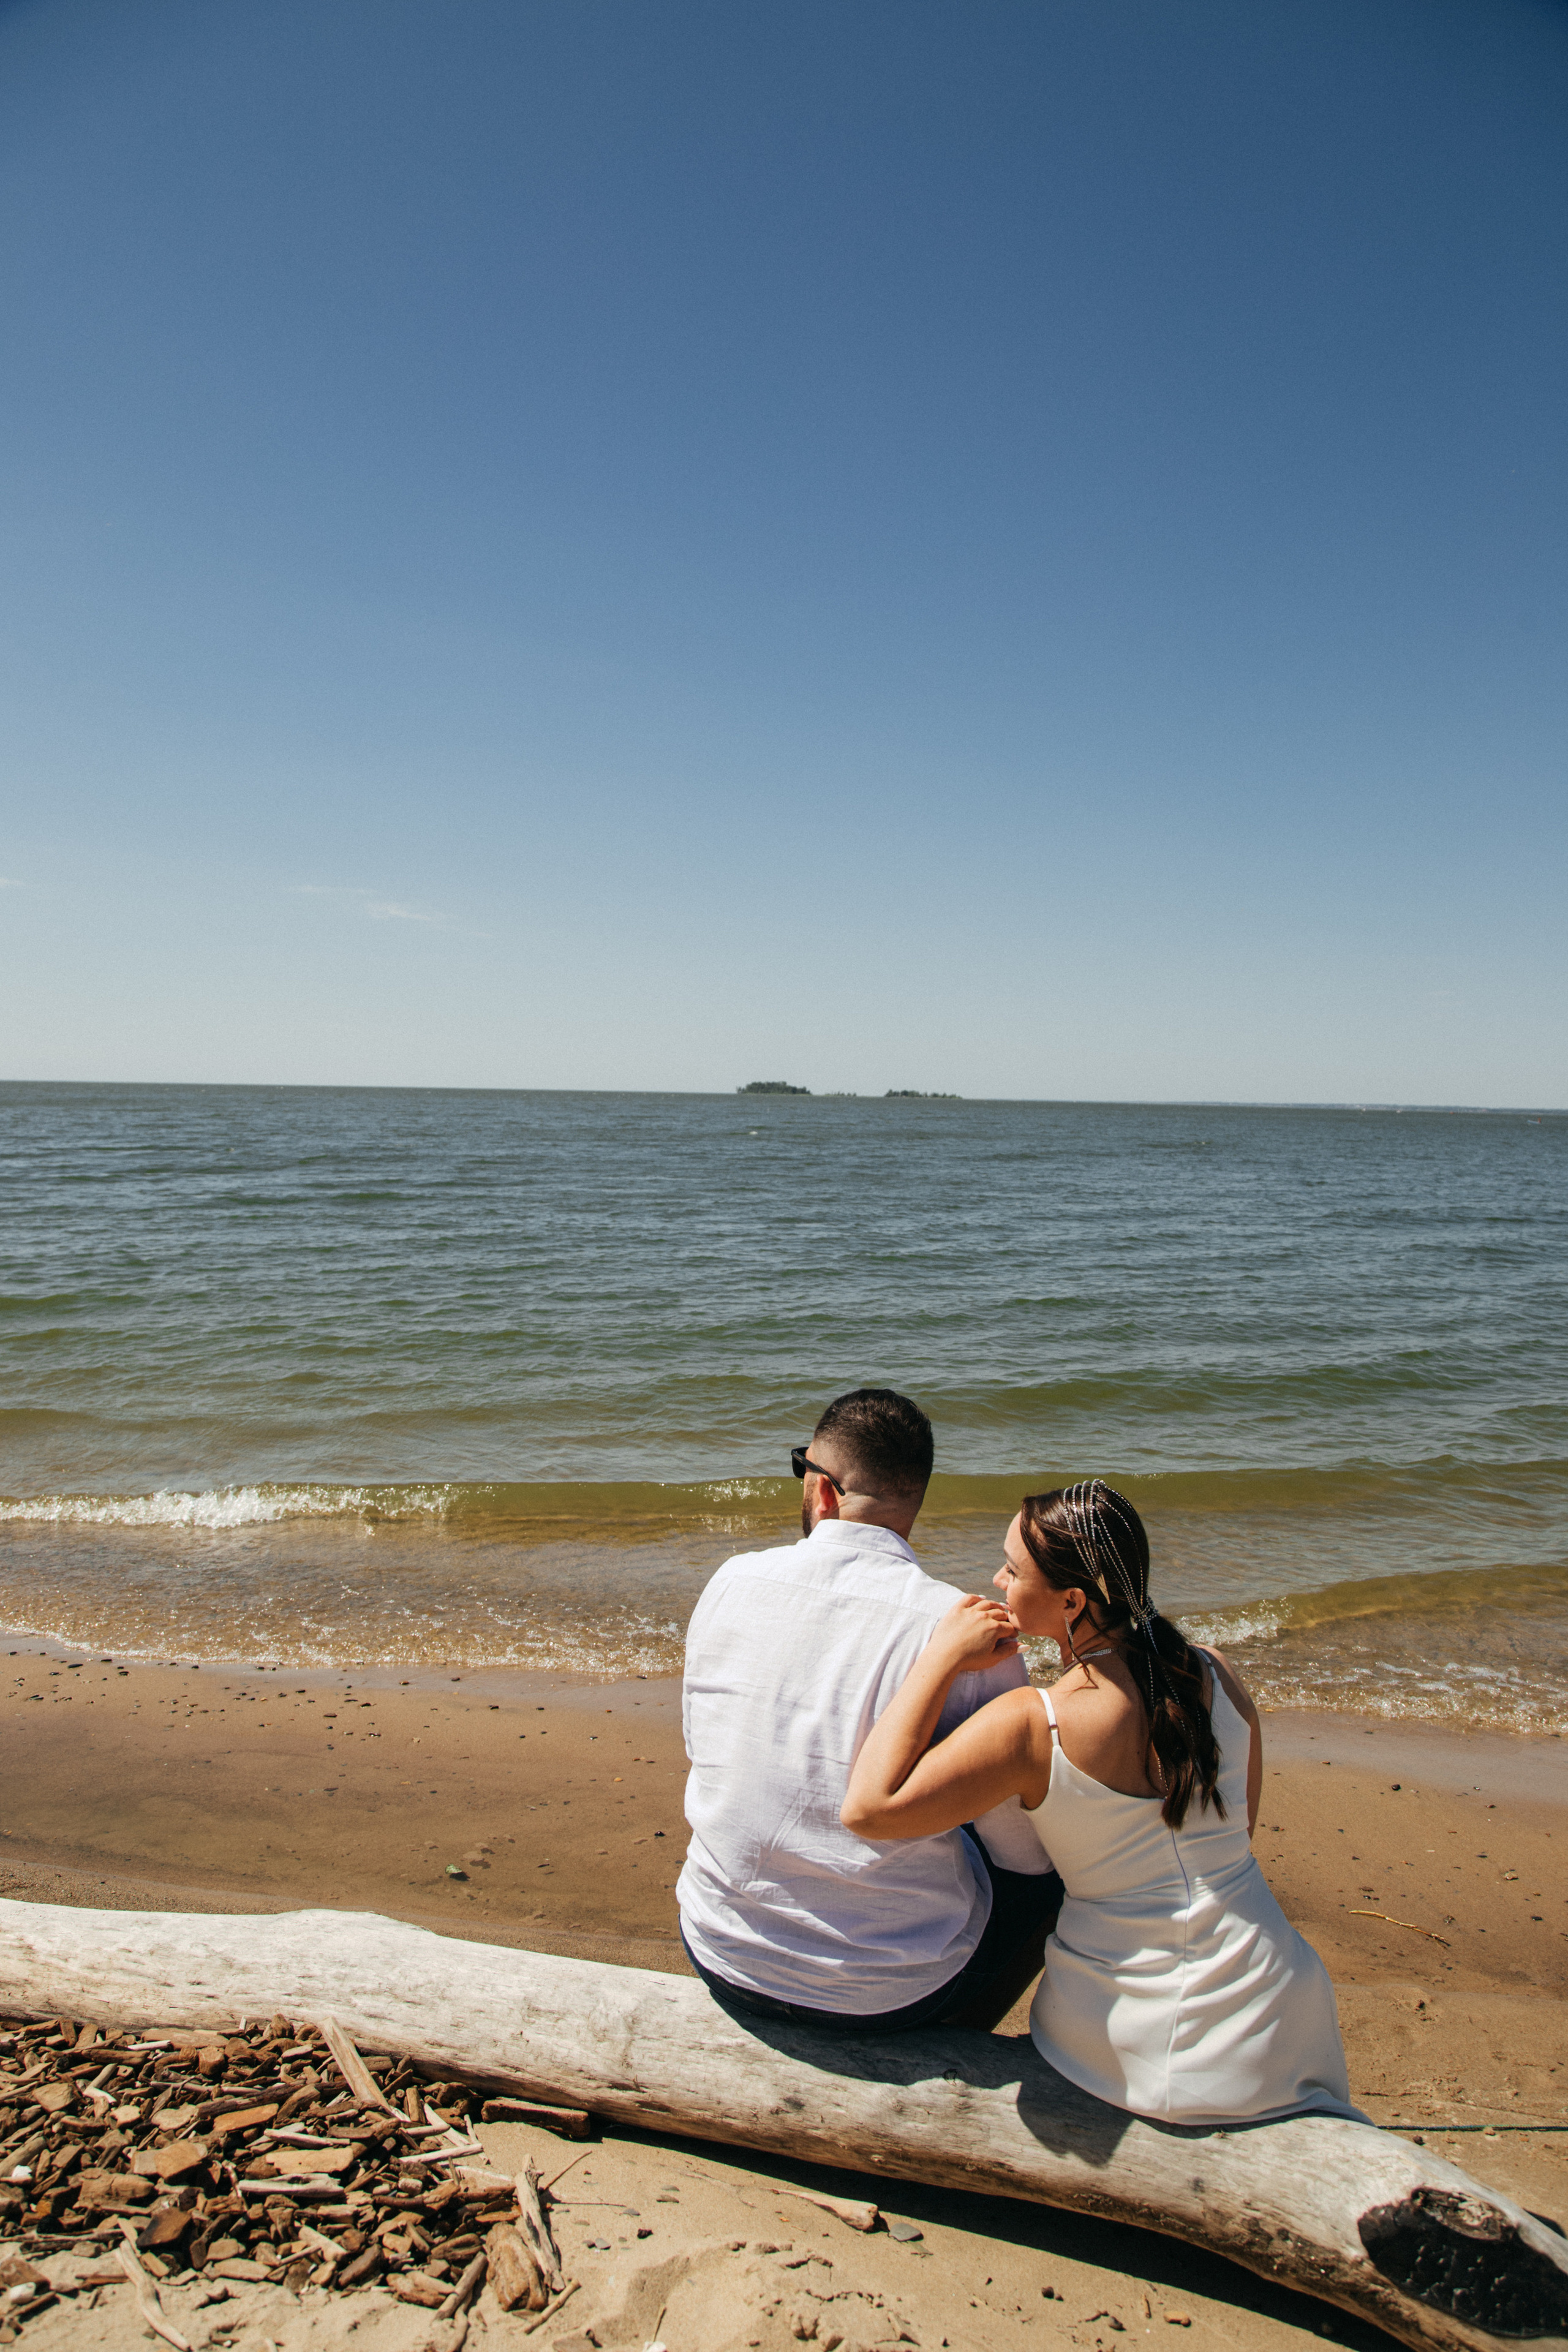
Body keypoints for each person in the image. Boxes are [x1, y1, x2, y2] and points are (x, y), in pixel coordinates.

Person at [842, 1480, 1356, 2121]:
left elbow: (869, 1808)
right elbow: (1238, 1832)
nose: (997, 1580)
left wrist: (939, 1660)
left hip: (1150, 2029)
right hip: (1285, 2003)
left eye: (1011, 1567)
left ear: (1073, 1600)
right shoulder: (1216, 1673)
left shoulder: (1036, 1723)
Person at [677, 1388, 1063, 2032]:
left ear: (824, 1491)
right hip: (885, 1990)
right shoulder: (966, 1628)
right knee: (1041, 1873)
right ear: (913, 1497)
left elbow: (706, 1744)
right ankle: (962, 2037)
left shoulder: (731, 1579)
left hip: (719, 1948)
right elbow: (1014, 1849)